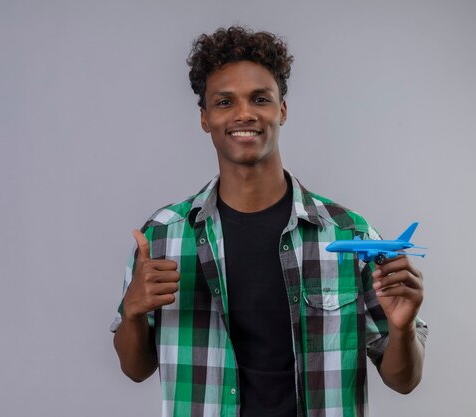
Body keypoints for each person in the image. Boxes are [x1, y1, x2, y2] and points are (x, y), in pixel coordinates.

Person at [111, 26, 428, 417]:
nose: (244, 113)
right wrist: (133, 312)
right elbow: (135, 369)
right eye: (224, 102)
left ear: (282, 109)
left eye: (259, 99)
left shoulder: (349, 232)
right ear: (205, 117)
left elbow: (404, 380)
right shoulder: (162, 237)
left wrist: (402, 328)